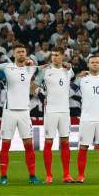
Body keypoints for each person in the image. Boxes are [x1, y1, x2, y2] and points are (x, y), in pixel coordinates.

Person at [0, 43, 40, 185]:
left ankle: (32, 176)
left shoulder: (31, 68)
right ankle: (3, 177)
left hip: (24, 112)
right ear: (14, 54)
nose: (21, 53)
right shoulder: (6, 67)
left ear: (26, 54)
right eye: (18, 52)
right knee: (5, 145)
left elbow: (46, 69)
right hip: (9, 112)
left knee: (28, 145)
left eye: (23, 51)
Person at [37, 49, 75, 183]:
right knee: (48, 142)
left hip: (65, 111)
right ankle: (49, 175)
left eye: (57, 55)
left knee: (65, 141)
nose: (54, 57)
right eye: (52, 55)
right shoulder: (45, 70)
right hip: (51, 111)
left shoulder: (68, 70)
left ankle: (66, 174)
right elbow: (35, 85)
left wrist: (69, 65)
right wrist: (41, 94)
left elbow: (74, 80)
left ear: (63, 56)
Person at [76, 55, 99, 183]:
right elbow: (71, 89)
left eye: (97, 62)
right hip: (86, 118)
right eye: (92, 62)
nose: (95, 64)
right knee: (83, 147)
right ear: (88, 64)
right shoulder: (82, 79)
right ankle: (81, 175)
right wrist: (77, 76)